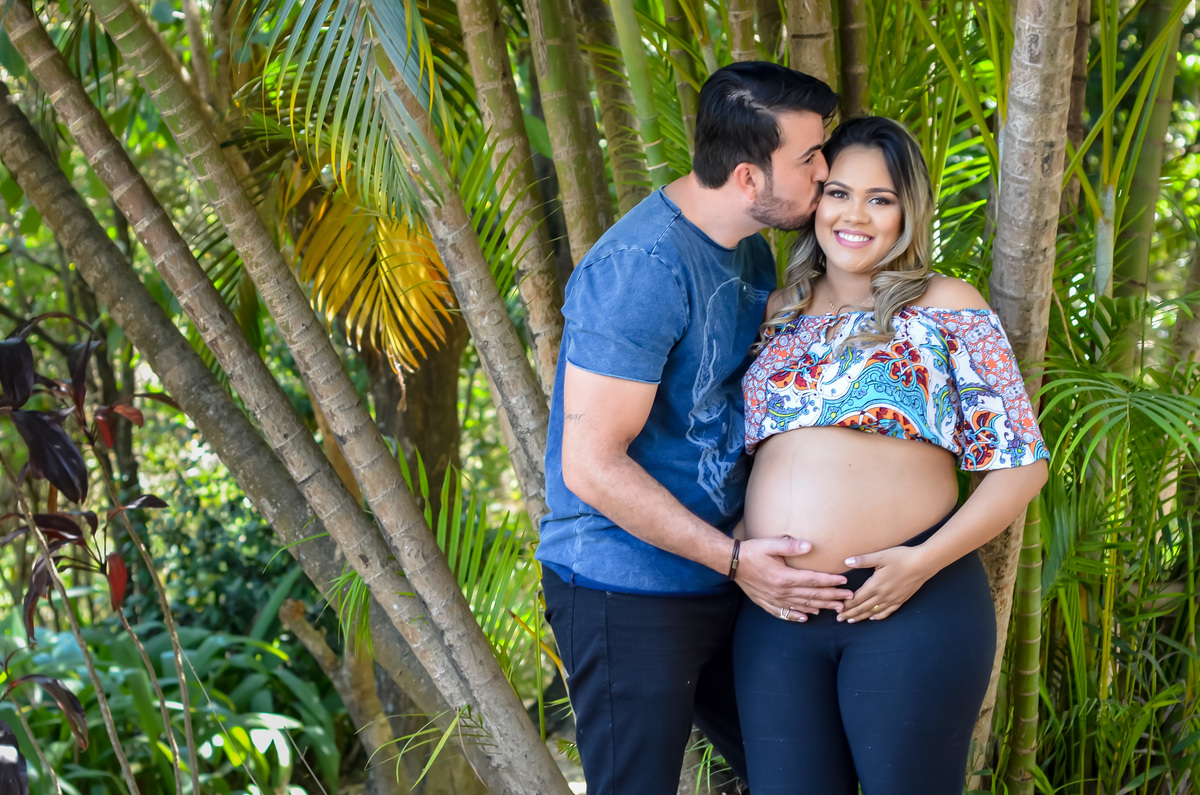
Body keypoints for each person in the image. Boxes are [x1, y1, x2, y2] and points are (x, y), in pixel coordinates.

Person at [536, 62, 851, 795]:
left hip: (726, 572)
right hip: (626, 586)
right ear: (747, 176)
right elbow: (591, 465)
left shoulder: (749, 243)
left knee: (804, 774)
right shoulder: (641, 269)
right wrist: (736, 561)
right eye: (809, 157)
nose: (825, 171)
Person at [733, 115, 1050, 794]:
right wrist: (740, 555)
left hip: (909, 603)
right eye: (839, 193)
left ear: (908, 212)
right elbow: (733, 459)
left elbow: (1021, 463)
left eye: (880, 199)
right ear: (815, 201)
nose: (855, 215)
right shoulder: (775, 312)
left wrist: (921, 563)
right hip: (779, 611)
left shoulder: (948, 305)